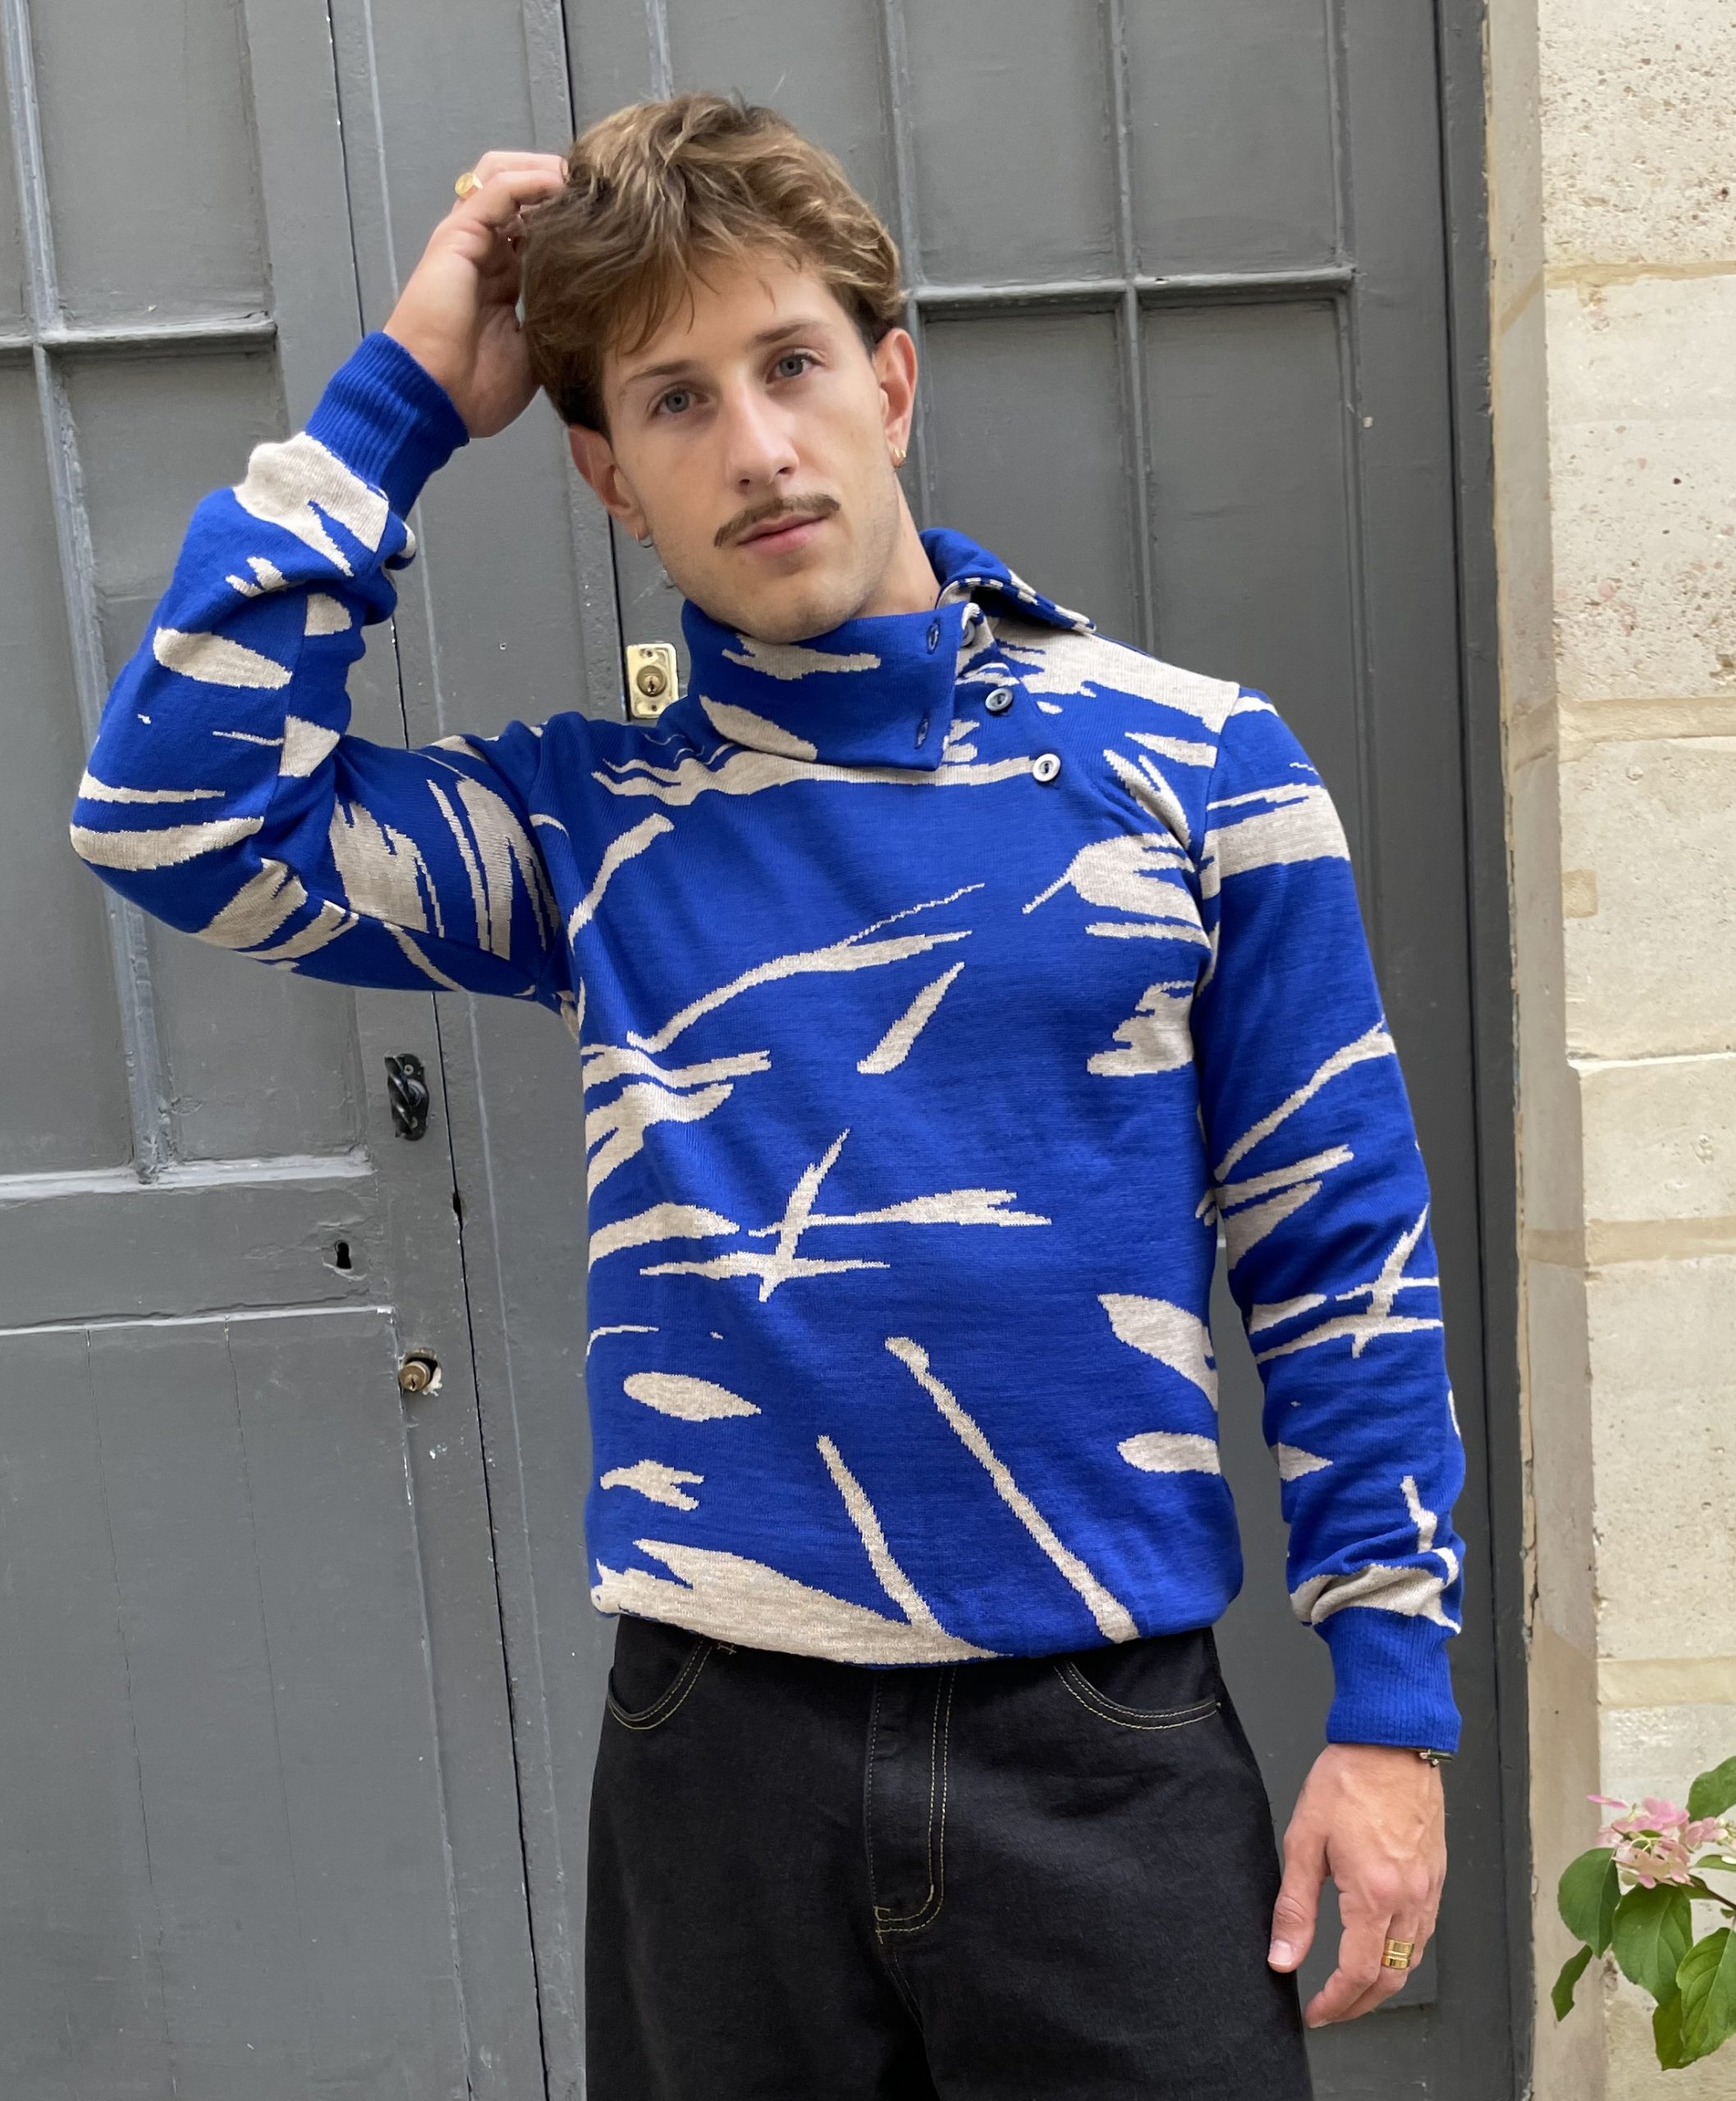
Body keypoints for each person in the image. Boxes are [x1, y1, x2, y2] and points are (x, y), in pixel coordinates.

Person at [70, 91, 1465, 2101]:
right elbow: (171, 813)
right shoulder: (586, 826)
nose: (754, 445)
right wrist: (402, 400)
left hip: (1104, 1746)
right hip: (714, 1763)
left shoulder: (1194, 770)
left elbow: (1339, 1254)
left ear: (887, 380)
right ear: (606, 478)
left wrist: (1390, 1712)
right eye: (671, 401)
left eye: (789, 363)